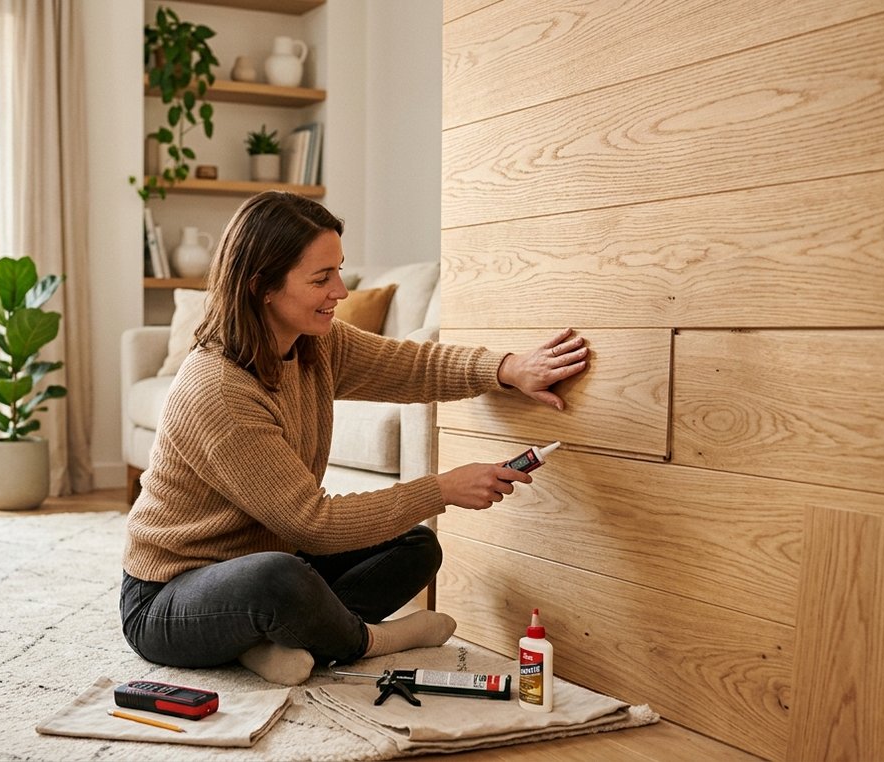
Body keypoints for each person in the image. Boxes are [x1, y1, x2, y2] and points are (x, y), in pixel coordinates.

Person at [120, 192, 589, 686]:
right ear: (262, 287)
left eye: (338, 271)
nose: (340, 290)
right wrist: (442, 489)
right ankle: (370, 639)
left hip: (273, 559)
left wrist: (507, 368)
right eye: (321, 278)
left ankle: (267, 643)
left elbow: (412, 366)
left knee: (415, 547)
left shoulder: (314, 345)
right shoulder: (218, 389)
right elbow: (312, 524)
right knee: (278, 579)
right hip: (167, 597)